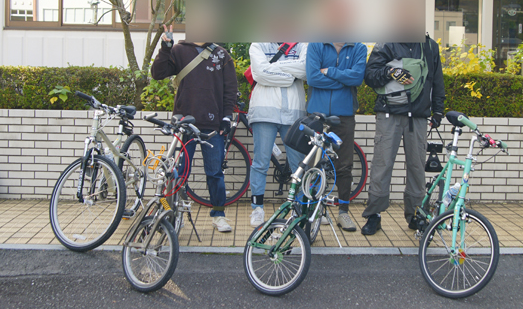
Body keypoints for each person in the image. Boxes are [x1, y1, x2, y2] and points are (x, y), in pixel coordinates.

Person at [151, 24, 237, 233]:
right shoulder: (178, 50)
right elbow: (157, 73)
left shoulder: (222, 55)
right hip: (184, 123)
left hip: (213, 125)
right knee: (179, 172)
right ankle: (173, 213)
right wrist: (165, 47)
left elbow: (230, 89)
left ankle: (218, 215)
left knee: (215, 173)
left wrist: (227, 117)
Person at [360, 35, 445, 235]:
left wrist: (438, 111)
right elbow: (370, 75)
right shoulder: (387, 42)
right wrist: (391, 71)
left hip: (418, 116)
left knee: (417, 168)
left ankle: (416, 214)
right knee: (382, 165)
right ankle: (374, 215)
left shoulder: (430, 46)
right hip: (389, 114)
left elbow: (436, 79)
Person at [306, 42, 367, 231]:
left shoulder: (359, 48)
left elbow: (357, 78)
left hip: (344, 115)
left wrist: (329, 71)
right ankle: (312, 209)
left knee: (345, 165)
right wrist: (343, 80)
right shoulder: (316, 44)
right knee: (313, 163)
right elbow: (312, 78)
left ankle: (343, 213)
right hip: (317, 114)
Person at [247, 42, 308, 227]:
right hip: (264, 111)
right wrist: (290, 76)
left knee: (299, 165)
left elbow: (305, 70)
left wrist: (274, 67)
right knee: (260, 163)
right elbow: (259, 73)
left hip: (294, 112)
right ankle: (257, 209)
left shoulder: (303, 44)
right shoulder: (258, 44)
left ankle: (300, 208)